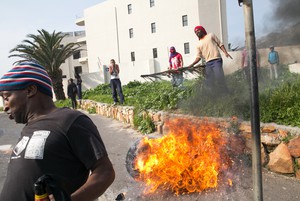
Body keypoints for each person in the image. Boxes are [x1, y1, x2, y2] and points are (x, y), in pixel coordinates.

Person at [0, 62, 115, 201]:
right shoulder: (29, 127)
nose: (4, 106)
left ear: (30, 90)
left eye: (6, 97)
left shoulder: (70, 120)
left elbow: (105, 172)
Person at [188, 25, 232, 95]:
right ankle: (215, 95)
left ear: (202, 30)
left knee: (219, 77)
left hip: (216, 60)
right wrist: (192, 64)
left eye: (198, 30)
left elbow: (220, 44)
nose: (197, 32)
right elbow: (198, 57)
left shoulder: (211, 35)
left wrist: (225, 53)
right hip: (208, 63)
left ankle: (226, 93)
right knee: (209, 81)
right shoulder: (198, 44)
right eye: (195, 32)